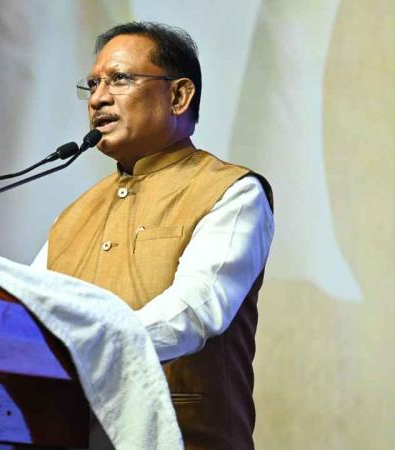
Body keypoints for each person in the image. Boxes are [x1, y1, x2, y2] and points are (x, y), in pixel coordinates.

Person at [33, 22, 274, 449]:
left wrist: (87, 348)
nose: (98, 98)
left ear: (179, 96)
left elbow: (196, 311)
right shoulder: (72, 216)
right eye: (93, 84)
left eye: (120, 79)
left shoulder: (231, 191)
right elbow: (27, 316)